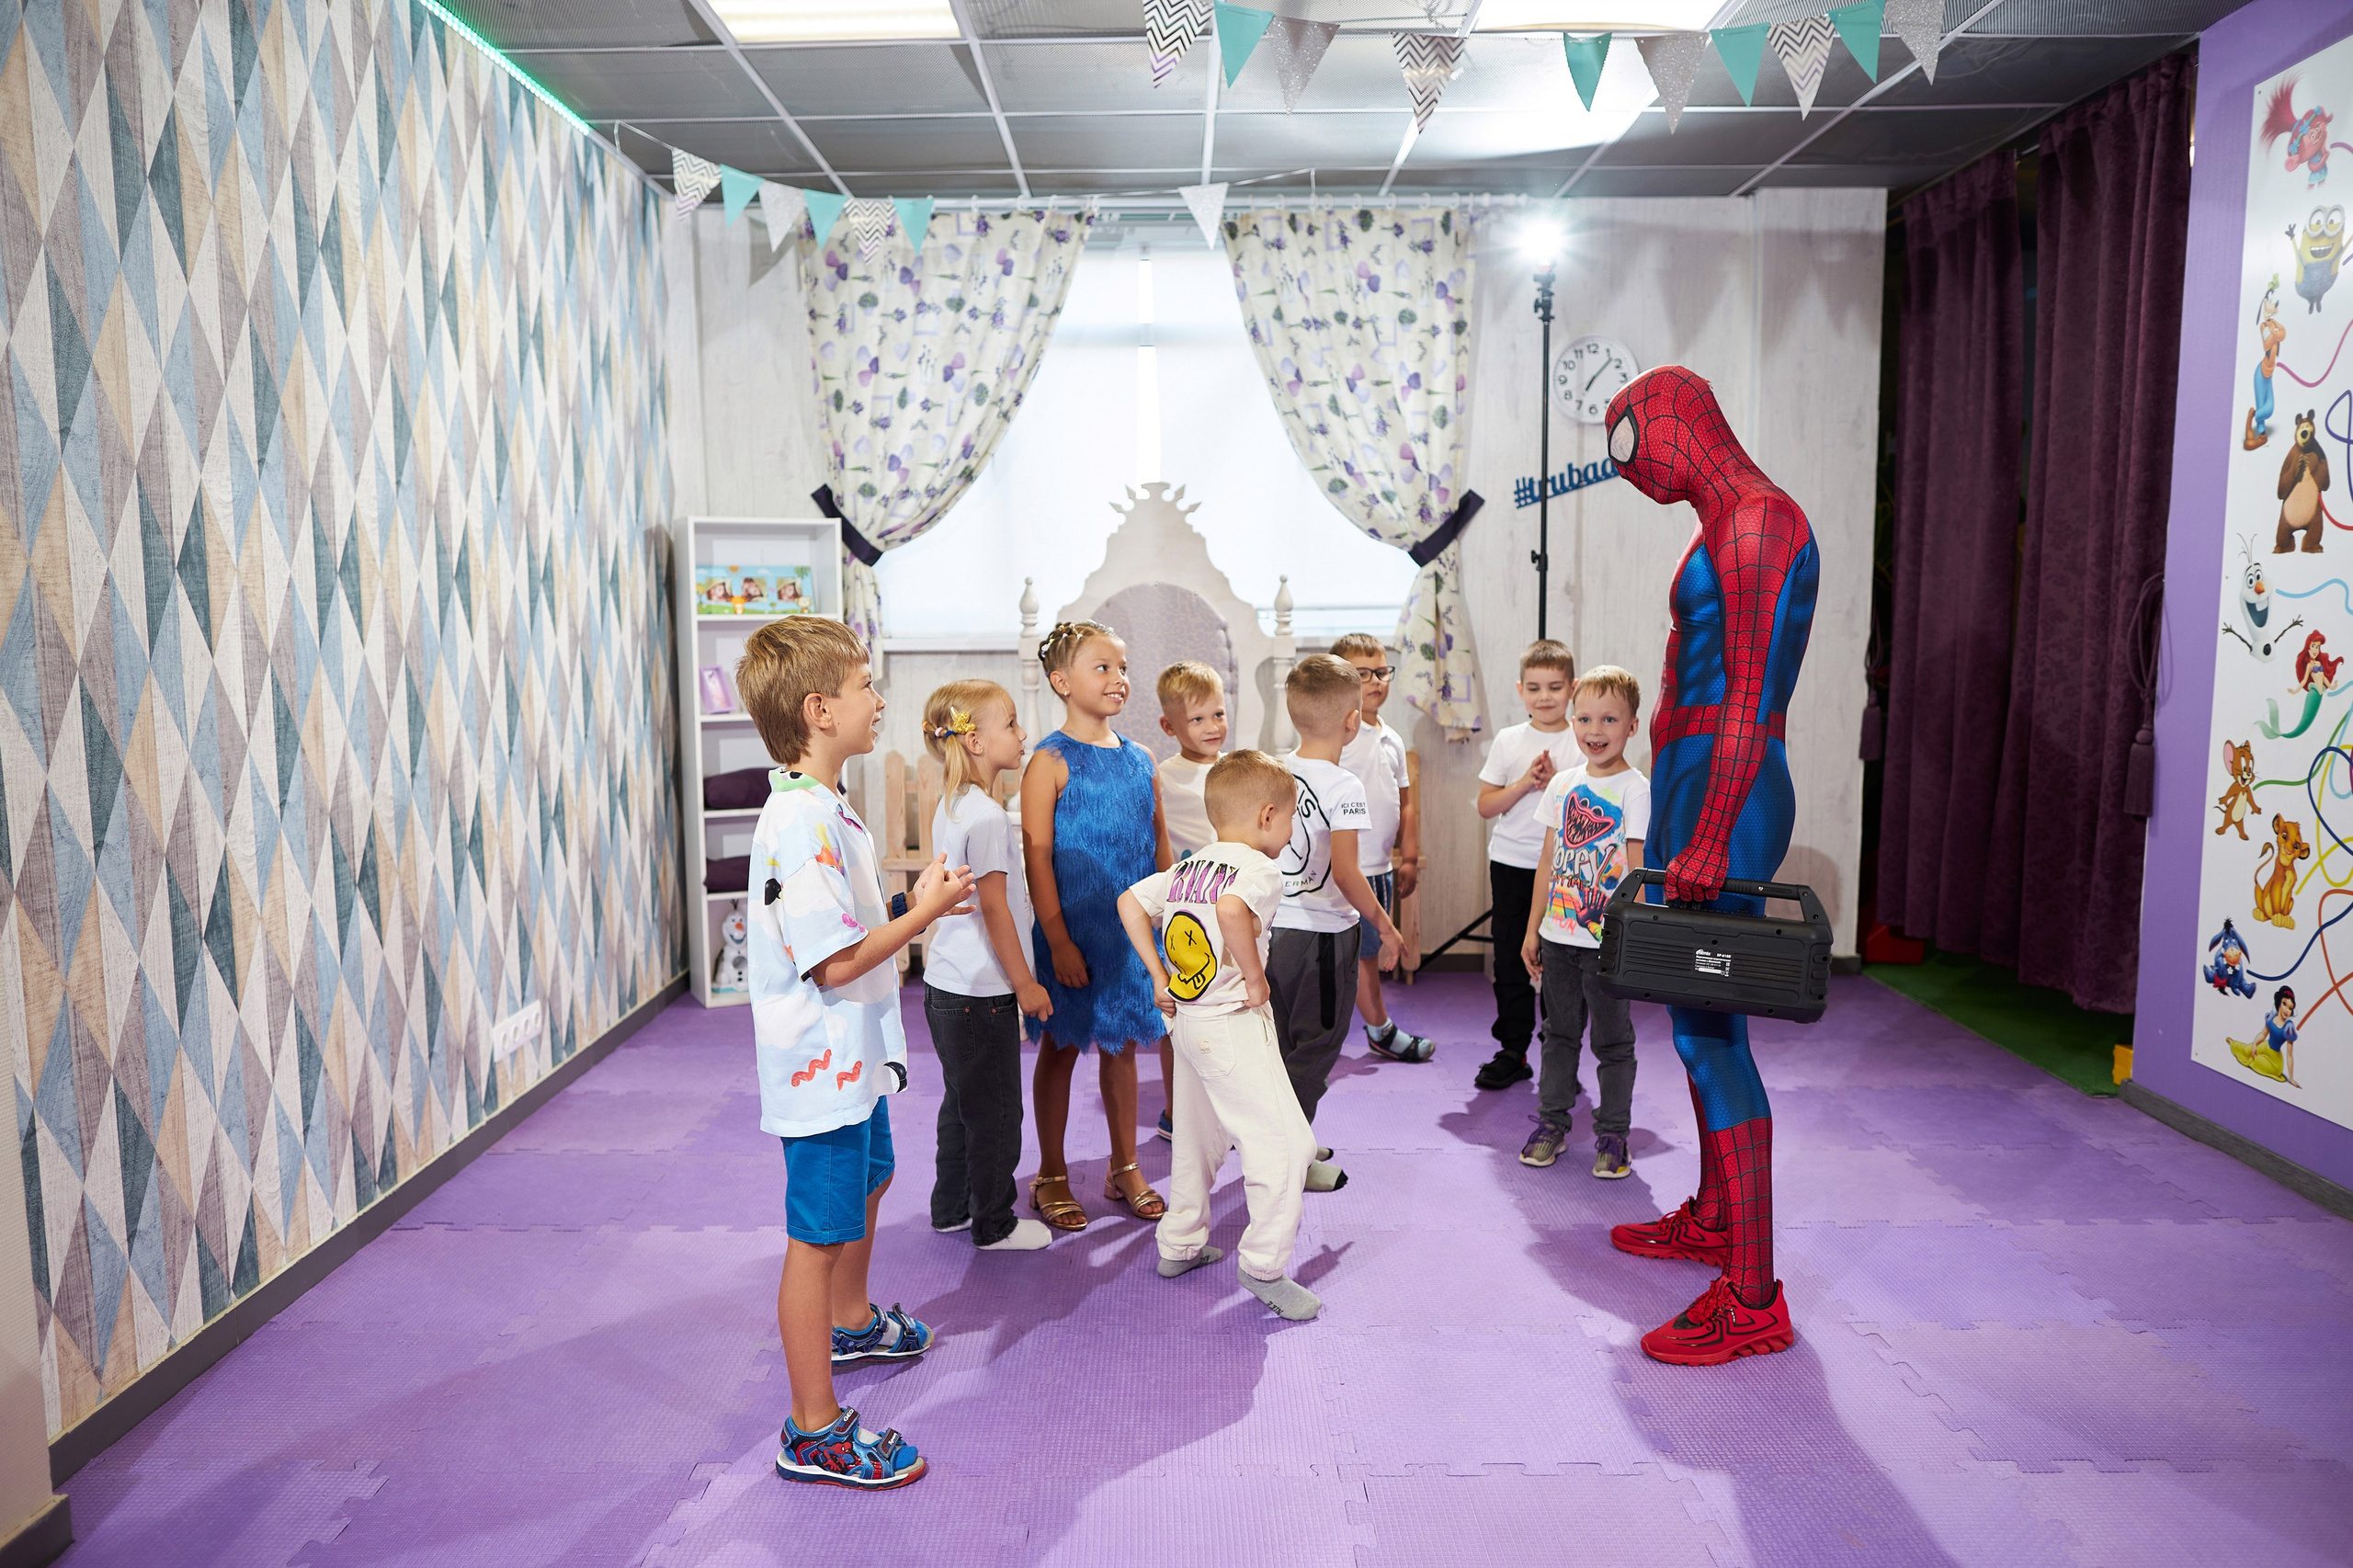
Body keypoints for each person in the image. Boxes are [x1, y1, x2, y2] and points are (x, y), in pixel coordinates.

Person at [1600, 365, 1816, 1366]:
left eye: (1632, 445)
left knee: (1712, 1038)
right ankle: (1720, 1221)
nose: (1634, 473)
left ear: (1676, 420)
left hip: (1726, 787)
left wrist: (1712, 829)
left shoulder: (1761, 521)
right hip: (1695, 780)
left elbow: (1744, 693)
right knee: (1698, 1025)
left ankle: (1753, 1294)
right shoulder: (1724, 517)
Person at [735, 616, 974, 1491]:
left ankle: (850, 1321)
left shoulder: (824, 807)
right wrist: (924, 913)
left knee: (870, 1180)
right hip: (820, 1066)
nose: (881, 699)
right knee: (819, 1233)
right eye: (868, 684)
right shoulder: (796, 822)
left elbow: (846, 929)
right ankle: (812, 1427)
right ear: (819, 708)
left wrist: (909, 904)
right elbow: (834, 959)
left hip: (853, 1057)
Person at [1118, 751, 1324, 1321]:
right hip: (1230, 1024)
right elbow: (1234, 909)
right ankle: (1264, 1267)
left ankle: (1180, 1244)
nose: (1291, 830)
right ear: (1265, 817)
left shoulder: (1191, 865)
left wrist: (1158, 975)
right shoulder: (1257, 869)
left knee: (1197, 1138)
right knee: (1279, 1149)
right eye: (1290, 819)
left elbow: (1129, 902)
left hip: (1186, 1023)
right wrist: (1257, 980)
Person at [1019, 621, 1174, 1231]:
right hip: (1073, 935)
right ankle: (1050, 1172)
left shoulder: (1142, 760)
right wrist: (1058, 939)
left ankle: (1124, 1165)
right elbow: (1036, 858)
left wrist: (1170, 925)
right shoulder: (1049, 763)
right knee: (1060, 1049)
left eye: (1122, 667)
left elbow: (1161, 850)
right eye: (1102, 667)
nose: (1119, 679)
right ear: (1062, 682)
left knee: (1125, 1047)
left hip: (1134, 937)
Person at [919, 680, 1054, 1253]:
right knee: (997, 1113)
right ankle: (994, 1224)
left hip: (943, 986)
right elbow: (996, 909)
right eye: (1013, 725)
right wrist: (1025, 984)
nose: (1023, 736)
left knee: (961, 1104)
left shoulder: (952, 805)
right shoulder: (990, 818)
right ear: (974, 741)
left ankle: (951, 1207)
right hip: (982, 992)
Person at [1270, 654, 1404, 1184]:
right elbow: (1349, 875)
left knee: (1280, 1045)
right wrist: (1387, 926)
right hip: (1323, 937)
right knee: (1316, 1048)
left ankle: (1283, 1141)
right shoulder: (1344, 785)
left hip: (1272, 933)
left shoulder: (1274, 769)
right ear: (1353, 721)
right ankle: (1291, 1162)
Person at [1518, 665, 1649, 1178]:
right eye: (1586, 718)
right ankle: (1552, 1123)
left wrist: (1630, 938)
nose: (1596, 731)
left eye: (1610, 719)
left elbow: (1636, 870)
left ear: (1632, 727)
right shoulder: (1565, 785)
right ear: (1573, 721)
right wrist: (1534, 927)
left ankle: (1613, 1134)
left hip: (1608, 943)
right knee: (1558, 1035)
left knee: (1613, 1042)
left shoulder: (1635, 790)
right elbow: (1547, 863)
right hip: (1558, 938)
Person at [1472, 641, 1583, 1091]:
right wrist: (1526, 783)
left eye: (1555, 687)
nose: (1545, 696)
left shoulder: (1583, 737)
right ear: (1521, 690)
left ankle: (1561, 1055)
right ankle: (1513, 1051)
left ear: (1572, 688)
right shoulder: (1509, 740)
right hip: (1512, 863)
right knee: (1511, 959)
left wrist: (1557, 783)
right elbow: (1485, 805)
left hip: (1567, 870)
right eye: (1535, 687)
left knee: (1564, 964)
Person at [1330, 634, 1433, 1064]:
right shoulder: (1337, 735)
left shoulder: (1390, 738)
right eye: (1362, 674)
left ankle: (1376, 1029)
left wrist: (1408, 857)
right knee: (1353, 958)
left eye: (1381, 672)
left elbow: (1405, 805)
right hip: (1344, 868)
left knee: (1368, 954)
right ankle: (1378, 1028)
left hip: (1379, 866)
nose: (1375, 681)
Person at [1152, 660, 1230, 1142]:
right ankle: (1174, 1110)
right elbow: (1156, 841)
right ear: (1170, 726)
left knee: (1226, 1011)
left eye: (1218, 715)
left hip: (1231, 910)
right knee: (1178, 1015)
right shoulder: (1162, 776)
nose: (1211, 727)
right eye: (1198, 719)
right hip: (1184, 913)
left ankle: (1220, 1107)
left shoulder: (1238, 771)